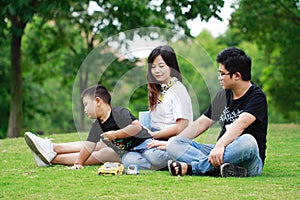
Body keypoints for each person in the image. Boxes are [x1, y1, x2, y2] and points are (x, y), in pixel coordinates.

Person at [166, 47, 268, 177]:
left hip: (248, 158)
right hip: (222, 152)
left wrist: (220, 145)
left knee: (247, 141)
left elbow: (240, 124)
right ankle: (223, 169)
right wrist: (175, 140)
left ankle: (193, 168)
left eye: (222, 73)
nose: (219, 77)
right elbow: (202, 123)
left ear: (236, 75)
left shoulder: (257, 96)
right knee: (174, 144)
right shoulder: (223, 96)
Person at [24, 85, 160, 170]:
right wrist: (78, 162)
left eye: (86, 105)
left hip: (143, 145)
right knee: (97, 148)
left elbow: (136, 128)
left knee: (101, 153)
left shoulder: (119, 112)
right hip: (126, 152)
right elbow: (88, 146)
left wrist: (116, 134)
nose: (84, 110)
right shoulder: (97, 125)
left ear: (98, 101)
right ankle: (50, 153)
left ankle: (51, 156)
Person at [121, 45, 193, 170]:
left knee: (152, 155)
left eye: (161, 66)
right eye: (153, 67)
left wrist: (154, 135)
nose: (156, 71)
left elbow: (181, 127)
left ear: (171, 66)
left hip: (171, 144)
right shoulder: (161, 90)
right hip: (153, 142)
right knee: (128, 159)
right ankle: (161, 165)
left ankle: (163, 162)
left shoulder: (178, 90)